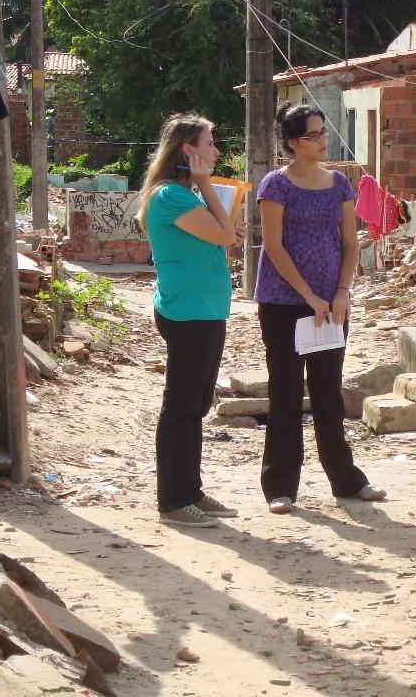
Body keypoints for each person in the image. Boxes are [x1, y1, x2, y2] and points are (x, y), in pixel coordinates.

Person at [253, 103, 386, 514]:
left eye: (322, 132)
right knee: (286, 391)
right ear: (292, 142)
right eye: (312, 135)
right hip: (284, 303)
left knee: (329, 391)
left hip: (332, 304)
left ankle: (346, 480)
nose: (322, 140)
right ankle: (281, 486)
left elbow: (350, 242)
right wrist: (308, 296)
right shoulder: (276, 185)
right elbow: (273, 246)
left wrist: (342, 291)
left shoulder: (339, 185)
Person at [138, 113, 243, 528]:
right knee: (181, 407)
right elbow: (224, 235)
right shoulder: (172, 197)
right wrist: (205, 186)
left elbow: (224, 238)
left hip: (205, 310)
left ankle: (191, 490)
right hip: (188, 313)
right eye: (210, 142)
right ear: (189, 150)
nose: (215, 150)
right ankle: (174, 501)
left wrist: (207, 195)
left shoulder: (186, 196)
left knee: (196, 406)